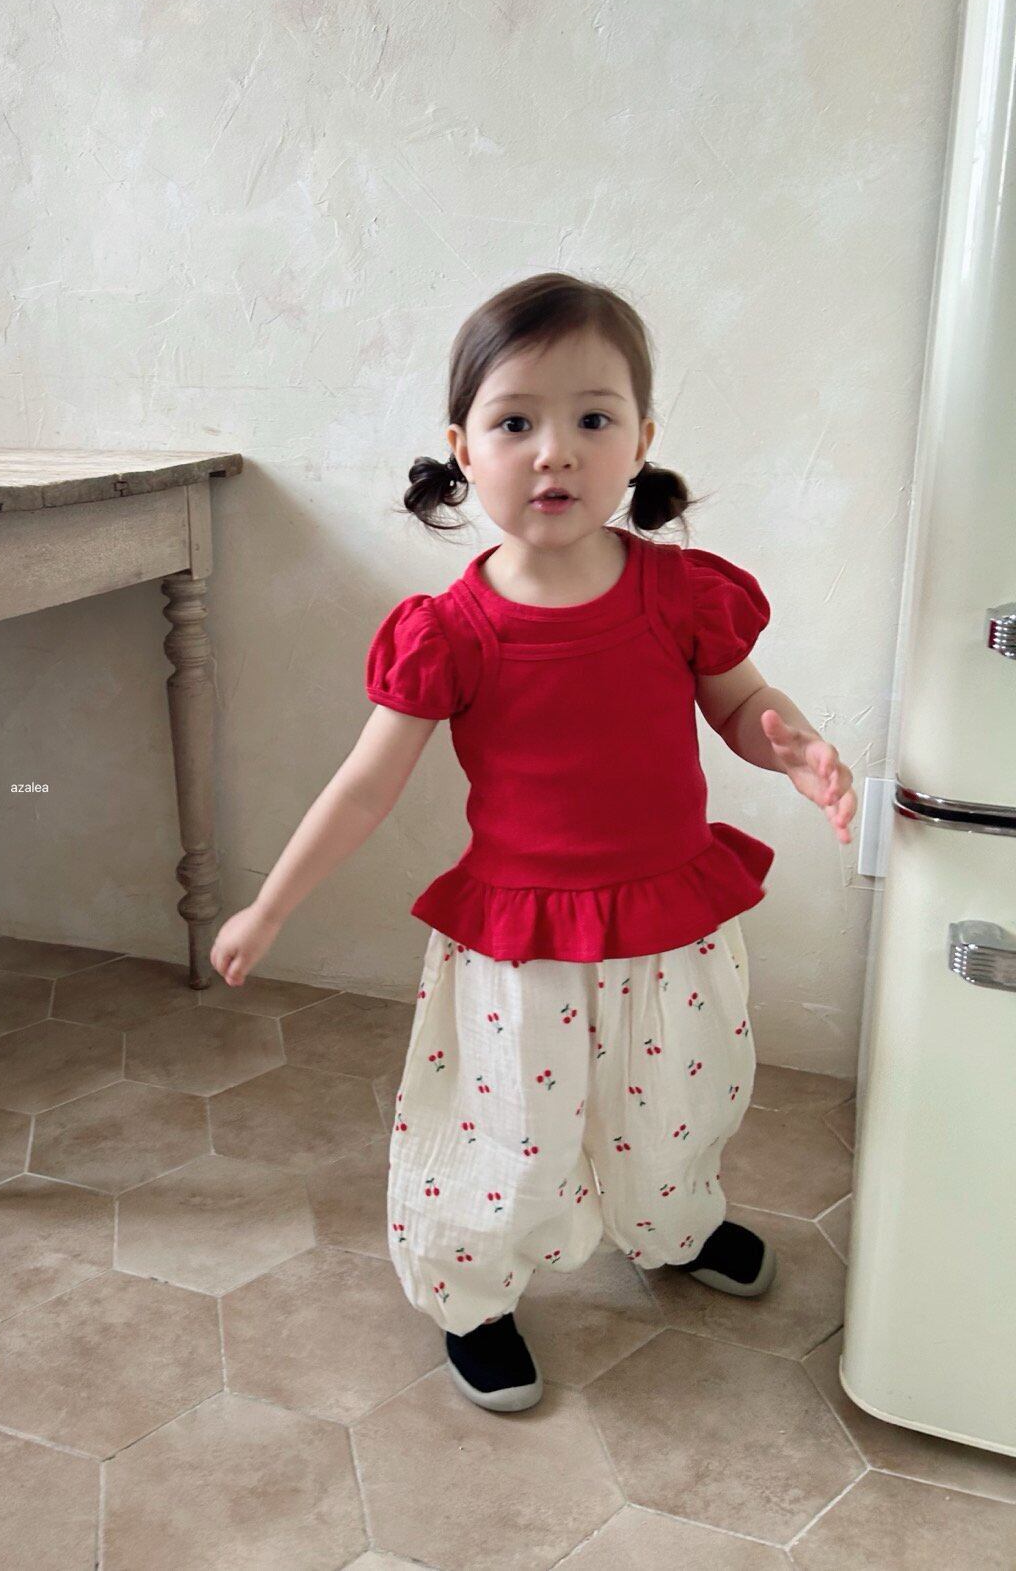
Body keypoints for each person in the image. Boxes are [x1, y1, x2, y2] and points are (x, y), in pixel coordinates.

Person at [211, 272, 856, 1415]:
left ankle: (671, 1222)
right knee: (506, 1131)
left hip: (665, 923)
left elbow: (739, 704)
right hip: (524, 949)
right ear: (462, 448)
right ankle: (472, 1293)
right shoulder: (450, 634)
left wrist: (793, 748)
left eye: (590, 419)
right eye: (515, 422)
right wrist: (268, 907)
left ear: (638, 441)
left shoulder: (678, 594)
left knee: (679, 1099)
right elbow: (363, 787)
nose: (553, 451)